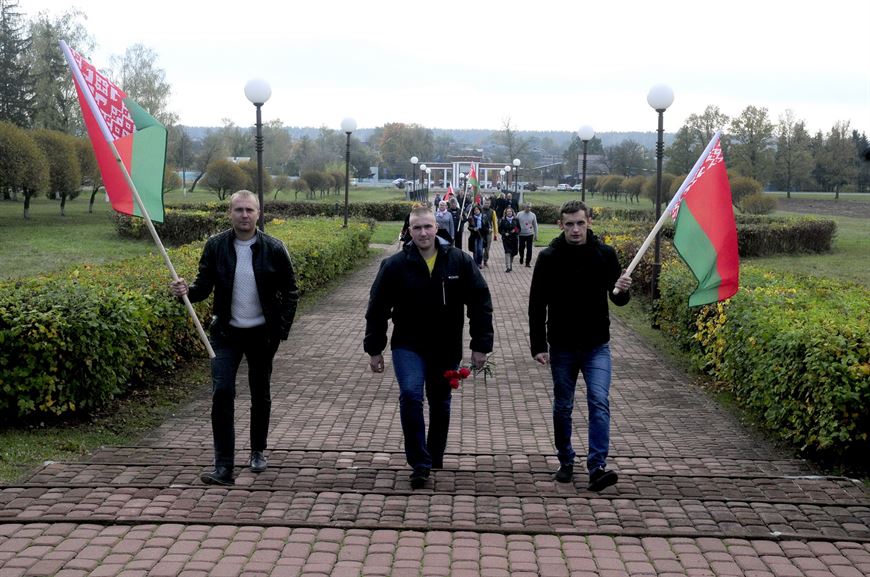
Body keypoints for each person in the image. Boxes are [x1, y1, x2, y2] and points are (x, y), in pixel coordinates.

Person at [170, 190, 299, 486]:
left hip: (262, 335)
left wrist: (280, 330)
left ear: (258, 214)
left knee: (260, 391)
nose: (244, 215)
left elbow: (291, 290)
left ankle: (257, 450)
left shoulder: (274, 248)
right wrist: (185, 291)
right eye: (238, 209)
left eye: (249, 210)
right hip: (226, 334)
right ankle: (223, 466)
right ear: (230, 213)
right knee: (222, 392)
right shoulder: (216, 246)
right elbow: (203, 287)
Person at [365, 205, 494, 489]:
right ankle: (419, 462)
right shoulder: (395, 265)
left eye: (427, 226)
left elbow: (480, 303)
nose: (423, 233)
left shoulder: (459, 261)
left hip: (445, 347)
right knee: (411, 395)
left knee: (440, 402)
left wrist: (481, 345)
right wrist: (374, 348)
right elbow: (377, 309)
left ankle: (434, 454)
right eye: (417, 228)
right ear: (409, 231)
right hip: (407, 345)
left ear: (437, 228)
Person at [528, 200, 632, 491]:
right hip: (562, 346)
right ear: (560, 225)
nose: (575, 229)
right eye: (570, 224)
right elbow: (537, 304)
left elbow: (618, 298)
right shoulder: (549, 257)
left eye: (580, 223)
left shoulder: (605, 254)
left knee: (599, 401)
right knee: (563, 406)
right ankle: (566, 460)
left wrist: (624, 289)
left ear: (589, 222)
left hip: (596, 345)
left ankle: (597, 467)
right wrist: (538, 345)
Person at [498, 206, 520, 272]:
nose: (509, 213)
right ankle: (508, 267)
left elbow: (519, 228)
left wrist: (515, 231)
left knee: (513, 253)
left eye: (510, 211)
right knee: (507, 252)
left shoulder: (516, 220)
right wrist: (504, 233)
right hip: (506, 239)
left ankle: (510, 264)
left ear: (512, 212)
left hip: (514, 239)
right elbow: (500, 229)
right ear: (505, 213)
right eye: (507, 212)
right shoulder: (503, 220)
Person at [517, 202, 539, 267]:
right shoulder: (519, 214)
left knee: (529, 249)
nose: (529, 208)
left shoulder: (533, 215)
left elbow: (535, 225)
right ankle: (521, 257)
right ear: (524, 207)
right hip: (521, 234)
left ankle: (527, 262)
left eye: (530, 207)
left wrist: (536, 234)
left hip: (530, 234)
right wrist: (516, 232)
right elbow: (516, 224)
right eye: (527, 207)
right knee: (521, 248)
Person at [480, 198, 498, 268]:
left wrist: (495, 233)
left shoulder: (492, 212)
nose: (486, 204)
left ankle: (485, 260)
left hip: (489, 232)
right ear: (483, 203)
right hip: (480, 232)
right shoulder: (479, 210)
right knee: (480, 247)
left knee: (487, 248)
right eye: (485, 203)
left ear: (490, 204)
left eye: (488, 203)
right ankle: (479, 260)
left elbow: (495, 223)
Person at [465, 204, 485, 268]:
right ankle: (475, 264)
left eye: (477, 209)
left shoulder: (483, 217)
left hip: (481, 236)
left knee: (480, 251)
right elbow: (469, 227)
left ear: (480, 210)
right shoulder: (471, 218)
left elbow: (486, 226)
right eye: (475, 210)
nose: (476, 211)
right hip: (474, 236)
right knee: (475, 251)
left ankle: (479, 262)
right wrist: (473, 229)